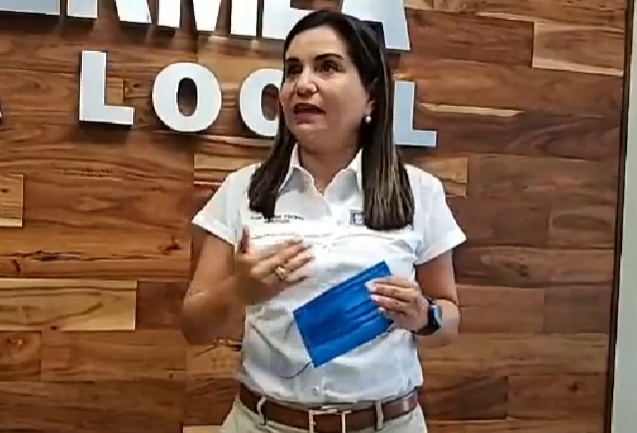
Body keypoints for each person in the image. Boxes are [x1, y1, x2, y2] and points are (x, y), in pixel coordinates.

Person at [182, 9, 466, 433]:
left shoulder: (419, 191)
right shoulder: (243, 189)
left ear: (371, 96)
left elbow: (449, 320)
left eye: (327, 67)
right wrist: (240, 290)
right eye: (292, 70)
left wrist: (424, 315)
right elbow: (193, 326)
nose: (303, 84)